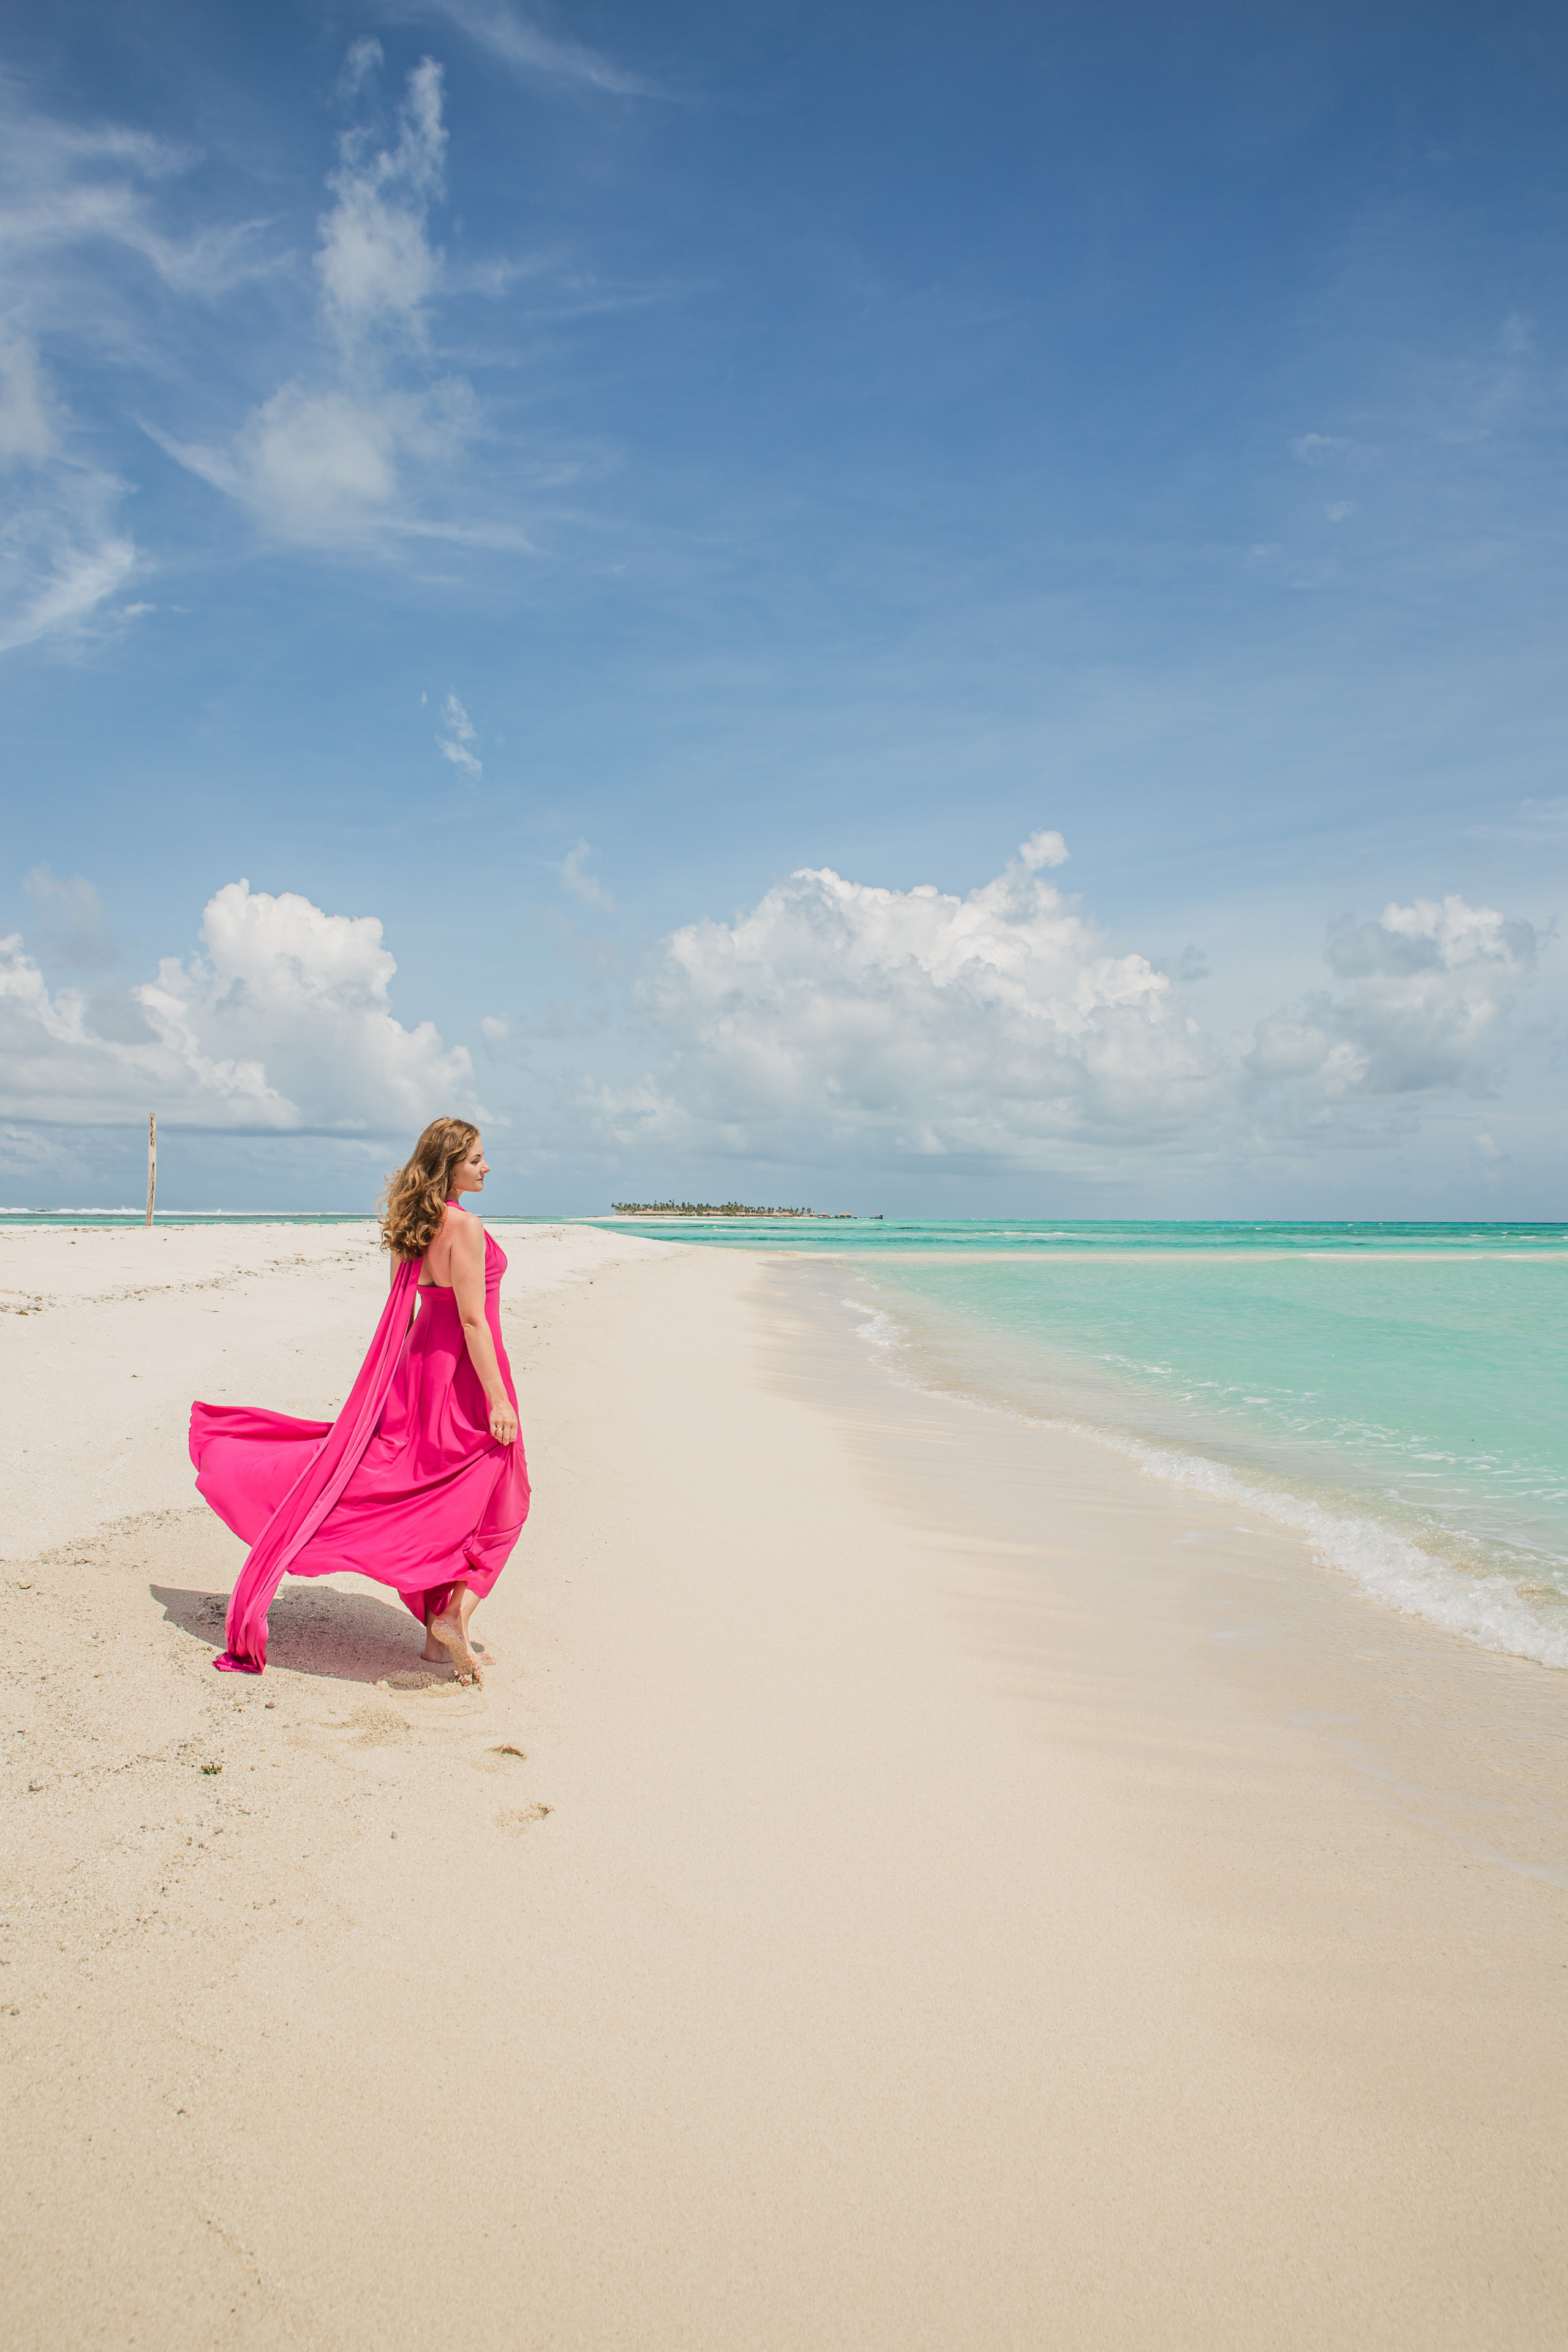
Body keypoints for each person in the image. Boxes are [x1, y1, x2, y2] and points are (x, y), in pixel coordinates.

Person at [190, 1120, 530, 1685]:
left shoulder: (414, 1223)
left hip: (419, 1370)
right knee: (501, 1499)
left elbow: (408, 1305)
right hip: (464, 1374)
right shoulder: (465, 1226)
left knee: (425, 1493)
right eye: (476, 1158)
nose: (486, 1167)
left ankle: (436, 1645)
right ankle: (452, 1615)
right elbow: (472, 1320)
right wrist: (497, 1398)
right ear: (449, 1165)